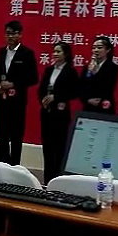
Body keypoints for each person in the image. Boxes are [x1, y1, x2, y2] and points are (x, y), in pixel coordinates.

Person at [0, 20, 38, 166]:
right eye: (8, 33)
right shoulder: (2, 52)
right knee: (2, 136)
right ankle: (2, 165)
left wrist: (13, 84)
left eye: (13, 33)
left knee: (16, 137)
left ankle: (14, 167)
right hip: (2, 100)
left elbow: (33, 78)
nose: (10, 36)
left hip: (18, 102)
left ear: (20, 35)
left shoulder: (27, 53)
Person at [37, 42, 79, 184]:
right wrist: (43, 100)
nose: (55, 54)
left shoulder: (70, 72)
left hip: (60, 114)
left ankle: (58, 180)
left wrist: (56, 97)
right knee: (47, 147)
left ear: (66, 54)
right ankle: (47, 180)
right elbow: (41, 89)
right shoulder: (49, 70)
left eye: (58, 51)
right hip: (46, 113)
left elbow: (74, 92)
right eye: (54, 51)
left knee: (59, 147)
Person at [80, 36, 118, 114]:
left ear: (108, 50)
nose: (96, 50)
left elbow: (108, 88)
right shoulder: (88, 67)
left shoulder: (112, 67)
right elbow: (81, 86)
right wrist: (87, 99)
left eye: (99, 48)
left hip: (104, 107)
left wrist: (95, 73)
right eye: (94, 48)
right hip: (88, 107)